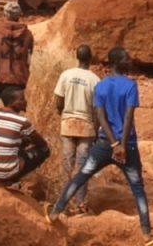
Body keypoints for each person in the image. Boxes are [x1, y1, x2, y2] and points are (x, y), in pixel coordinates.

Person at [46, 47, 153, 245]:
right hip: (128, 147)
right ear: (117, 62)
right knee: (138, 188)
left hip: (104, 145)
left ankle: (56, 211)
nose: (129, 61)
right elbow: (129, 116)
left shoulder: (101, 85)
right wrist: (121, 145)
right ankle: (147, 232)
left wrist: (112, 143)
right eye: (126, 58)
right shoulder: (130, 85)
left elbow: (101, 117)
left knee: (81, 176)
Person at [52, 44, 99, 215]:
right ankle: (81, 204)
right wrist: (96, 129)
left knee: (67, 164)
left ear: (76, 57)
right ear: (90, 59)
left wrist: (62, 113)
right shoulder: (95, 80)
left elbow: (58, 99)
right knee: (82, 166)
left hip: (68, 123)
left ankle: (62, 204)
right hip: (86, 127)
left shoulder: (66, 74)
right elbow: (97, 109)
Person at [0, 85, 50, 188]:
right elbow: (41, 143)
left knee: (20, 142)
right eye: (22, 99)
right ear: (12, 103)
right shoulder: (22, 121)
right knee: (45, 150)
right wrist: (25, 140)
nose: (25, 102)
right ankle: (13, 179)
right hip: (6, 172)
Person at [0, 1, 33, 110]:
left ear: (5, 14)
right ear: (19, 15)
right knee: (15, 111)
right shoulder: (27, 34)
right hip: (18, 79)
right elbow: (29, 57)